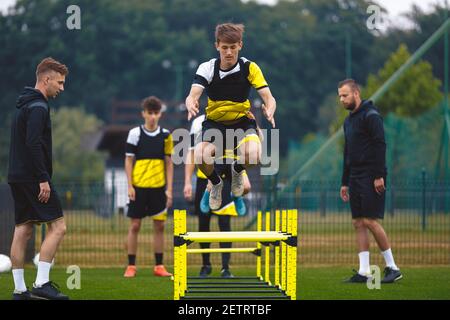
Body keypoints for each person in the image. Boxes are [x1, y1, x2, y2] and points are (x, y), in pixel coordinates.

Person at [185, 22, 276, 212]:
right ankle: (215, 184)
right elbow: (193, 93)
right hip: (215, 124)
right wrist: (191, 102)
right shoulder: (207, 68)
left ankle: (237, 171)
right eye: (224, 47)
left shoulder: (250, 68)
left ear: (240, 45)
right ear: (217, 45)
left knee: (254, 154)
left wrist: (270, 108)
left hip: (242, 123)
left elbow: (269, 97)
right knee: (200, 154)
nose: (228, 53)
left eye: (233, 48)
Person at [8, 57, 69, 300]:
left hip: (17, 175)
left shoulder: (23, 105)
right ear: (46, 79)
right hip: (34, 178)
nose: (61, 88)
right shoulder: (39, 107)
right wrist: (43, 178)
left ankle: (19, 290)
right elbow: (33, 144)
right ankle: (42, 283)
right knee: (59, 227)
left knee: (23, 229)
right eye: (60, 82)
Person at [338, 79, 402, 284]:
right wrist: (344, 182)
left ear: (356, 93)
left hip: (370, 175)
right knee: (358, 222)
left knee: (370, 221)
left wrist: (378, 175)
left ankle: (393, 268)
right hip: (355, 176)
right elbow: (348, 152)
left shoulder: (371, 116)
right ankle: (364, 271)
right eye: (339, 96)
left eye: (345, 95)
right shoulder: (348, 121)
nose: (341, 99)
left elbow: (380, 146)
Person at [184, 114, 251, 278]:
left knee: (224, 222)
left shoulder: (234, 116)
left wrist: (244, 176)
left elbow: (241, 151)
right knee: (203, 222)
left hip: (227, 176)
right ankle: (205, 265)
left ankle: (225, 267)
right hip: (204, 178)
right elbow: (192, 153)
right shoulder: (198, 122)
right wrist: (187, 181)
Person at [123, 96, 173, 278]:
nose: (152, 116)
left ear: (160, 114)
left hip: (159, 187)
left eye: (156, 113)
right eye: (149, 113)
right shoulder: (135, 133)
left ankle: (159, 265)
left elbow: (169, 163)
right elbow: (128, 160)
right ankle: (131, 266)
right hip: (139, 187)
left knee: (160, 226)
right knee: (135, 225)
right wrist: (130, 186)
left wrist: (169, 189)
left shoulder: (166, 135)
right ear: (143, 114)